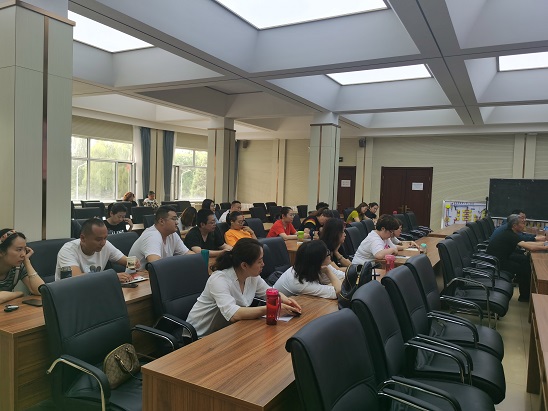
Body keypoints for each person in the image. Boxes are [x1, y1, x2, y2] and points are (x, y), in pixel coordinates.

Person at [186, 238, 302, 337]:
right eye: (259, 261)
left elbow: (270, 292)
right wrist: (272, 309)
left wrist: (286, 301)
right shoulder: (219, 280)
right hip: (200, 336)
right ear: (244, 265)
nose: (263, 264)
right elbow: (234, 314)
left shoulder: (252, 276)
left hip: (227, 331)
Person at [486, 214, 548, 302]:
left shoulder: (511, 232)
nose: (524, 225)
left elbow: (526, 243)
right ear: (515, 225)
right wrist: (545, 247)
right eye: (522, 223)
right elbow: (530, 248)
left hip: (501, 257)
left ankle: (526, 293)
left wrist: (544, 244)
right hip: (496, 262)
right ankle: (525, 296)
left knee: (524, 260)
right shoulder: (510, 235)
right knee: (523, 268)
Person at [55, 218, 138, 282]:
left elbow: (126, 261)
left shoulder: (106, 245)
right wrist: (111, 277)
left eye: (105, 238)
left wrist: (133, 263)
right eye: (98, 239)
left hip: (94, 290)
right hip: (70, 293)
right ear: (83, 238)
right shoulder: (68, 250)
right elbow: (75, 279)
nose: (103, 243)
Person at [273, 240, 344, 299]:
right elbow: (340, 292)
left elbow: (345, 277)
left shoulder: (316, 267)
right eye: (327, 254)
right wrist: (329, 273)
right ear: (318, 261)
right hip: (278, 307)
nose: (329, 255)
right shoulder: (299, 282)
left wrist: (333, 284)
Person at [129, 205, 193, 267]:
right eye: (173, 219)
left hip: (156, 272)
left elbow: (188, 254)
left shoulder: (172, 234)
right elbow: (155, 265)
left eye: (176, 219)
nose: (177, 222)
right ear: (161, 221)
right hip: (135, 273)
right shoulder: (152, 236)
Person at [0, 229, 44, 304]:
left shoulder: (18, 268)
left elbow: (41, 290)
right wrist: (19, 293)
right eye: (19, 250)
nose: (23, 254)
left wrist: (27, 262)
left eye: (24, 249)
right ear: (1, 252)